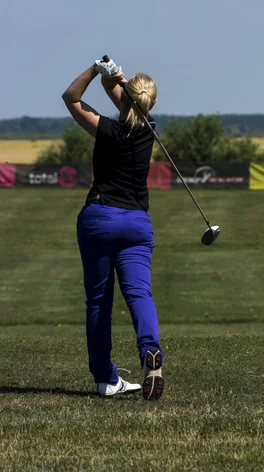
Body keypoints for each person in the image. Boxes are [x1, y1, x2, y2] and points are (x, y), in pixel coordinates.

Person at [62, 57, 164, 400]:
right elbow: (122, 97)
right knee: (139, 294)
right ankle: (151, 352)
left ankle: (106, 378)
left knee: (99, 303)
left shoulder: (107, 129)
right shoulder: (149, 128)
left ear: (127, 98)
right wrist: (115, 77)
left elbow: (71, 98)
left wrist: (94, 70)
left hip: (100, 219)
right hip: (136, 223)